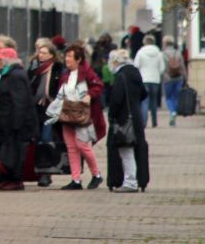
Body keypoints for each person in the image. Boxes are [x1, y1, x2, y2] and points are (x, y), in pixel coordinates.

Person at [0, 46, 38, 190]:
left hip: (14, 124)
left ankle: (16, 180)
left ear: (8, 60)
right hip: (5, 122)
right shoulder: (9, 74)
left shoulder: (16, 76)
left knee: (14, 154)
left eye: (0, 60)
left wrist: (16, 124)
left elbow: (19, 102)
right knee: (8, 153)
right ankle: (8, 179)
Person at [57, 42, 105, 190]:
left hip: (83, 116)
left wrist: (90, 95)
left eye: (70, 56)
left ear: (78, 59)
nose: (66, 59)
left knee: (82, 145)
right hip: (67, 115)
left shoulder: (87, 73)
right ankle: (76, 179)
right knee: (71, 147)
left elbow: (98, 85)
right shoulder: (65, 75)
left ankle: (96, 174)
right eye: (66, 56)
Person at [105, 48, 149, 192]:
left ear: (115, 62)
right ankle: (139, 179)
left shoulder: (121, 76)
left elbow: (116, 100)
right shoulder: (135, 74)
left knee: (125, 150)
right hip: (136, 117)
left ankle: (130, 182)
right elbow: (144, 94)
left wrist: (111, 115)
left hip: (123, 119)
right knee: (136, 148)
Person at [28, 38, 64, 186]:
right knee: (37, 140)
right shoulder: (35, 69)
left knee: (46, 139)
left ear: (51, 54)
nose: (40, 55)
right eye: (39, 52)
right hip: (37, 108)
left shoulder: (57, 68)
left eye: (44, 52)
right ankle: (39, 170)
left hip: (51, 108)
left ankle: (46, 173)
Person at [132, 32, 166, 128]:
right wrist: (157, 73)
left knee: (144, 101)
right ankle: (154, 121)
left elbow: (136, 65)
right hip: (155, 79)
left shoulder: (140, 52)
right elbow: (162, 68)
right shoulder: (159, 53)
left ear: (144, 42)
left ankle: (143, 122)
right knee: (154, 101)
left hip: (144, 79)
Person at [161, 36, 186, 126]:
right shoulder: (178, 53)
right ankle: (174, 113)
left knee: (168, 97)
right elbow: (182, 66)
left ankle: (172, 112)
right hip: (179, 77)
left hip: (168, 78)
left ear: (165, 43)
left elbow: (162, 68)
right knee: (176, 97)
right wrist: (185, 76)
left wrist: (163, 76)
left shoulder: (163, 54)